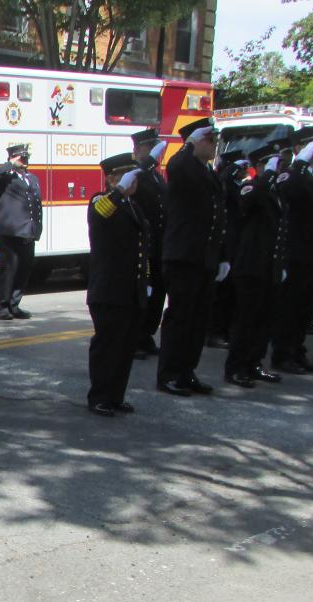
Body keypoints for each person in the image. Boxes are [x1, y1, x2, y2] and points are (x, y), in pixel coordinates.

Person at [156, 117, 225, 397]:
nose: (214, 146)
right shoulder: (183, 165)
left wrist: (221, 256)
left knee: (198, 319)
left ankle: (187, 371)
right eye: (210, 140)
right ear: (198, 141)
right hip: (183, 256)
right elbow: (174, 166)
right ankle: (169, 374)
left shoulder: (205, 170)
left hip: (203, 257)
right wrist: (187, 145)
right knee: (180, 318)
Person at [85, 154, 151, 417]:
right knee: (107, 345)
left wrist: (147, 279)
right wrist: (120, 189)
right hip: (108, 288)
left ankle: (115, 395)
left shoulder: (133, 206)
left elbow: (142, 246)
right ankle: (99, 396)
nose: (133, 182)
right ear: (111, 178)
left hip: (130, 288)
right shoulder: (100, 201)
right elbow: (101, 216)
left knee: (125, 346)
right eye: (126, 176)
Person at [273, 126, 313, 372]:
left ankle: (297, 350)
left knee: (305, 308)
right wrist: (298, 164)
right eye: (310, 144)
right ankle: (283, 353)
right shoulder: (290, 173)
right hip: (296, 252)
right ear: (299, 147)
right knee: (291, 306)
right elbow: (288, 192)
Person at [224, 144, 287, 388]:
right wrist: (267, 175)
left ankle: (254, 363)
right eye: (272, 163)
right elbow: (250, 201)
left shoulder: (275, 190)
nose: (277, 168)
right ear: (260, 165)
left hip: (269, 264)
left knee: (265, 319)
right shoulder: (251, 186)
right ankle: (236, 368)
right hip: (250, 265)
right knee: (246, 320)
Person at [0, 143, 43, 320]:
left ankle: (14, 304)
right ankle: (2, 306)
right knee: (8, 270)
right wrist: (10, 165)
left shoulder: (32, 178)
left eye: (25, 157)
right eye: (20, 157)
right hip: (9, 231)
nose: (24, 160)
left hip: (28, 231)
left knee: (23, 270)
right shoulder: (4, 177)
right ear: (12, 157)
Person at [129, 129, 169, 357]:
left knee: (158, 293)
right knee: (144, 294)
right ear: (139, 149)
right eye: (149, 146)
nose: (154, 149)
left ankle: (146, 335)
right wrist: (150, 160)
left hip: (159, 245)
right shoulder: (135, 172)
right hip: (143, 246)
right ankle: (135, 338)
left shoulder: (154, 174)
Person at [208, 148, 248, 351]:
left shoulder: (236, 184)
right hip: (226, 243)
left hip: (234, 243)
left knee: (230, 292)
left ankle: (223, 329)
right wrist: (232, 172)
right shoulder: (225, 182)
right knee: (222, 293)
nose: (244, 172)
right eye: (241, 168)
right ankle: (215, 332)